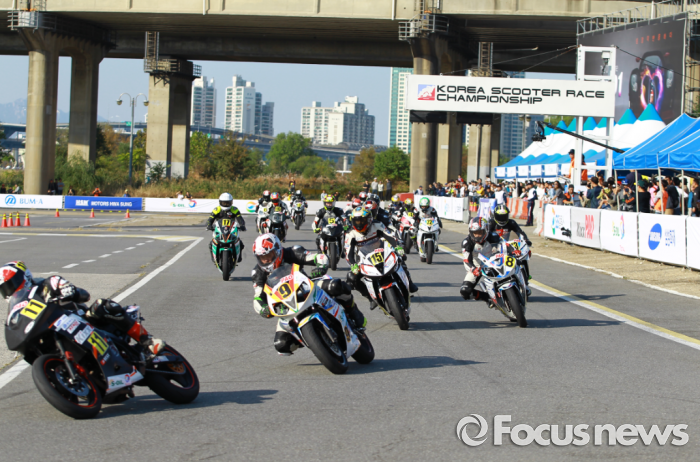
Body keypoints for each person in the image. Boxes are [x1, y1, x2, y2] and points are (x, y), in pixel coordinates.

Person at [0, 261, 164, 354]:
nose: (9, 291)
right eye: (4, 289)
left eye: (11, 284)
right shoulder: (17, 308)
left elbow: (84, 295)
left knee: (103, 305)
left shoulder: (46, 284)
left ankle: (148, 341)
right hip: (55, 331)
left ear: (25, 276)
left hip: (84, 320)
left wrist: (69, 290)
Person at [251, 234, 366, 355]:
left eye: (268, 255)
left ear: (278, 250)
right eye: (262, 257)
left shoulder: (293, 252)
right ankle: (312, 340)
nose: (266, 260)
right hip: (286, 306)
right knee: (281, 344)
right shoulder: (257, 272)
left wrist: (321, 266)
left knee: (336, 286)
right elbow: (258, 296)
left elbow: (319, 257)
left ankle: (354, 313)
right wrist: (263, 308)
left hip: (307, 288)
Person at [345, 208, 418, 306]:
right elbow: (348, 253)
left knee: (400, 257)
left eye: (362, 221)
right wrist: (353, 264)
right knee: (351, 278)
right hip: (364, 259)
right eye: (356, 221)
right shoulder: (350, 233)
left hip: (383, 252)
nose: (359, 224)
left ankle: (409, 281)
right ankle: (370, 298)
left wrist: (397, 246)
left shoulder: (377, 225)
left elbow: (390, 237)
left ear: (369, 219)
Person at [459, 217, 509, 301]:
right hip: (476, 266)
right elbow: (467, 260)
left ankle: (523, 287)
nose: (477, 235)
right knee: (465, 291)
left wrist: (513, 250)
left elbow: (505, 246)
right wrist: (473, 269)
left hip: (493, 262)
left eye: (480, 232)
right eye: (475, 233)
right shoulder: (466, 242)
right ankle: (487, 297)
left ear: (486, 230)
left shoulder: (494, 236)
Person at [489, 205, 533, 283]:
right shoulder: (491, 223)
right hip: (495, 245)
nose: (502, 219)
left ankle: (526, 274)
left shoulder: (511, 222)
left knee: (522, 254)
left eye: (504, 216)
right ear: (495, 215)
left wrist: (526, 240)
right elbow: (486, 235)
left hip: (508, 243)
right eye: (500, 216)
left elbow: (520, 232)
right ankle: (493, 276)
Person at [206, 193, 247, 262]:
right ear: (220, 202)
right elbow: (210, 219)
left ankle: (239, 256)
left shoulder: (234, 209)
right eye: (224, 203)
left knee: (240, 243)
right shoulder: (217, 209)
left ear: (231, 202)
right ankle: (213, 256)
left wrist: (242, 225)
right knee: (211, 243)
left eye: (227, 203)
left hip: (231, 229)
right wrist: (209, 225)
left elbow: (240, 219)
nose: (225, 204)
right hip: (219, 229)